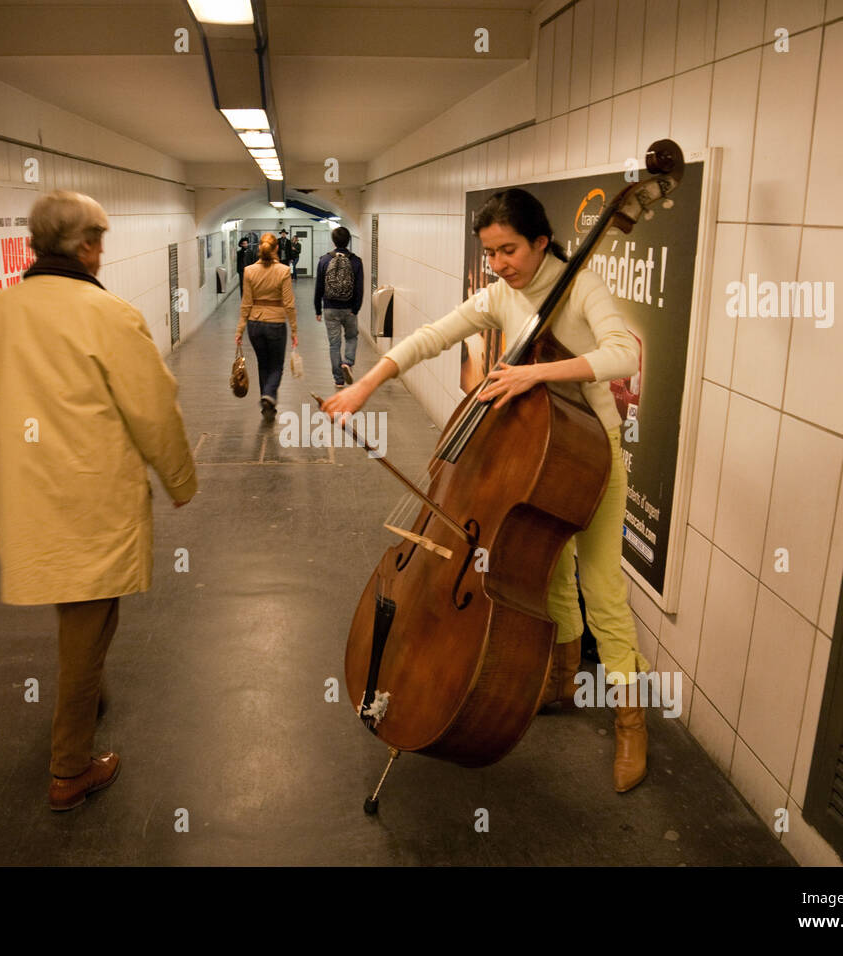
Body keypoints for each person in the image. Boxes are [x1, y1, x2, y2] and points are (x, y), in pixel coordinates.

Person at [321, 188, 649, 793]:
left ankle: (632, 720)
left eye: (508, 250)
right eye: (490, 252)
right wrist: (366, 384)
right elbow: (433, 336)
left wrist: (537, 372)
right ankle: (563, 679)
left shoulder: (580, 287)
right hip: (542, 455)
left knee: (600, 588)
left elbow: (623, 353)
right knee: (550, 573)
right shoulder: (501, 294)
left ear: (541, 242)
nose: (498, 263)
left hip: (593, 454)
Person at [0, 190, 197, 811]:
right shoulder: (109, 314)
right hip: (91, 499)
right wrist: (180, 480)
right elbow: (152, 409)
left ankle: (91, 696)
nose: (102, 251)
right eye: (101, 241)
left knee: (81, 611)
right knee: (88, 622)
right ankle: (70, 769)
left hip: (26, 499)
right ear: (88, 246)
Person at [236, 232, 298, 421]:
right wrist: (294, 330)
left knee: (263, 364)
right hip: (276, 323)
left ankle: (267, 406)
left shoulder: (249, 271)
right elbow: (289, 303)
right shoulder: (283, 271)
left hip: (255, 324)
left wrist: (240, 329)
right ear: (277, 248)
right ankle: (269, 395)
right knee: (276, 366)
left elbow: (246, 303)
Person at [314, 226, 364, 388]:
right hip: (349, 308)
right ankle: (347, 363)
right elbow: (359, 288)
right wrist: (355, 309)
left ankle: (338, 380)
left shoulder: (324, 260)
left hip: (330, 308)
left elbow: (319, 287)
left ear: (333, 241)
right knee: (351, 337)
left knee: (334, 344)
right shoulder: (356, 261)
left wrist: (318, 309)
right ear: (349, 240)